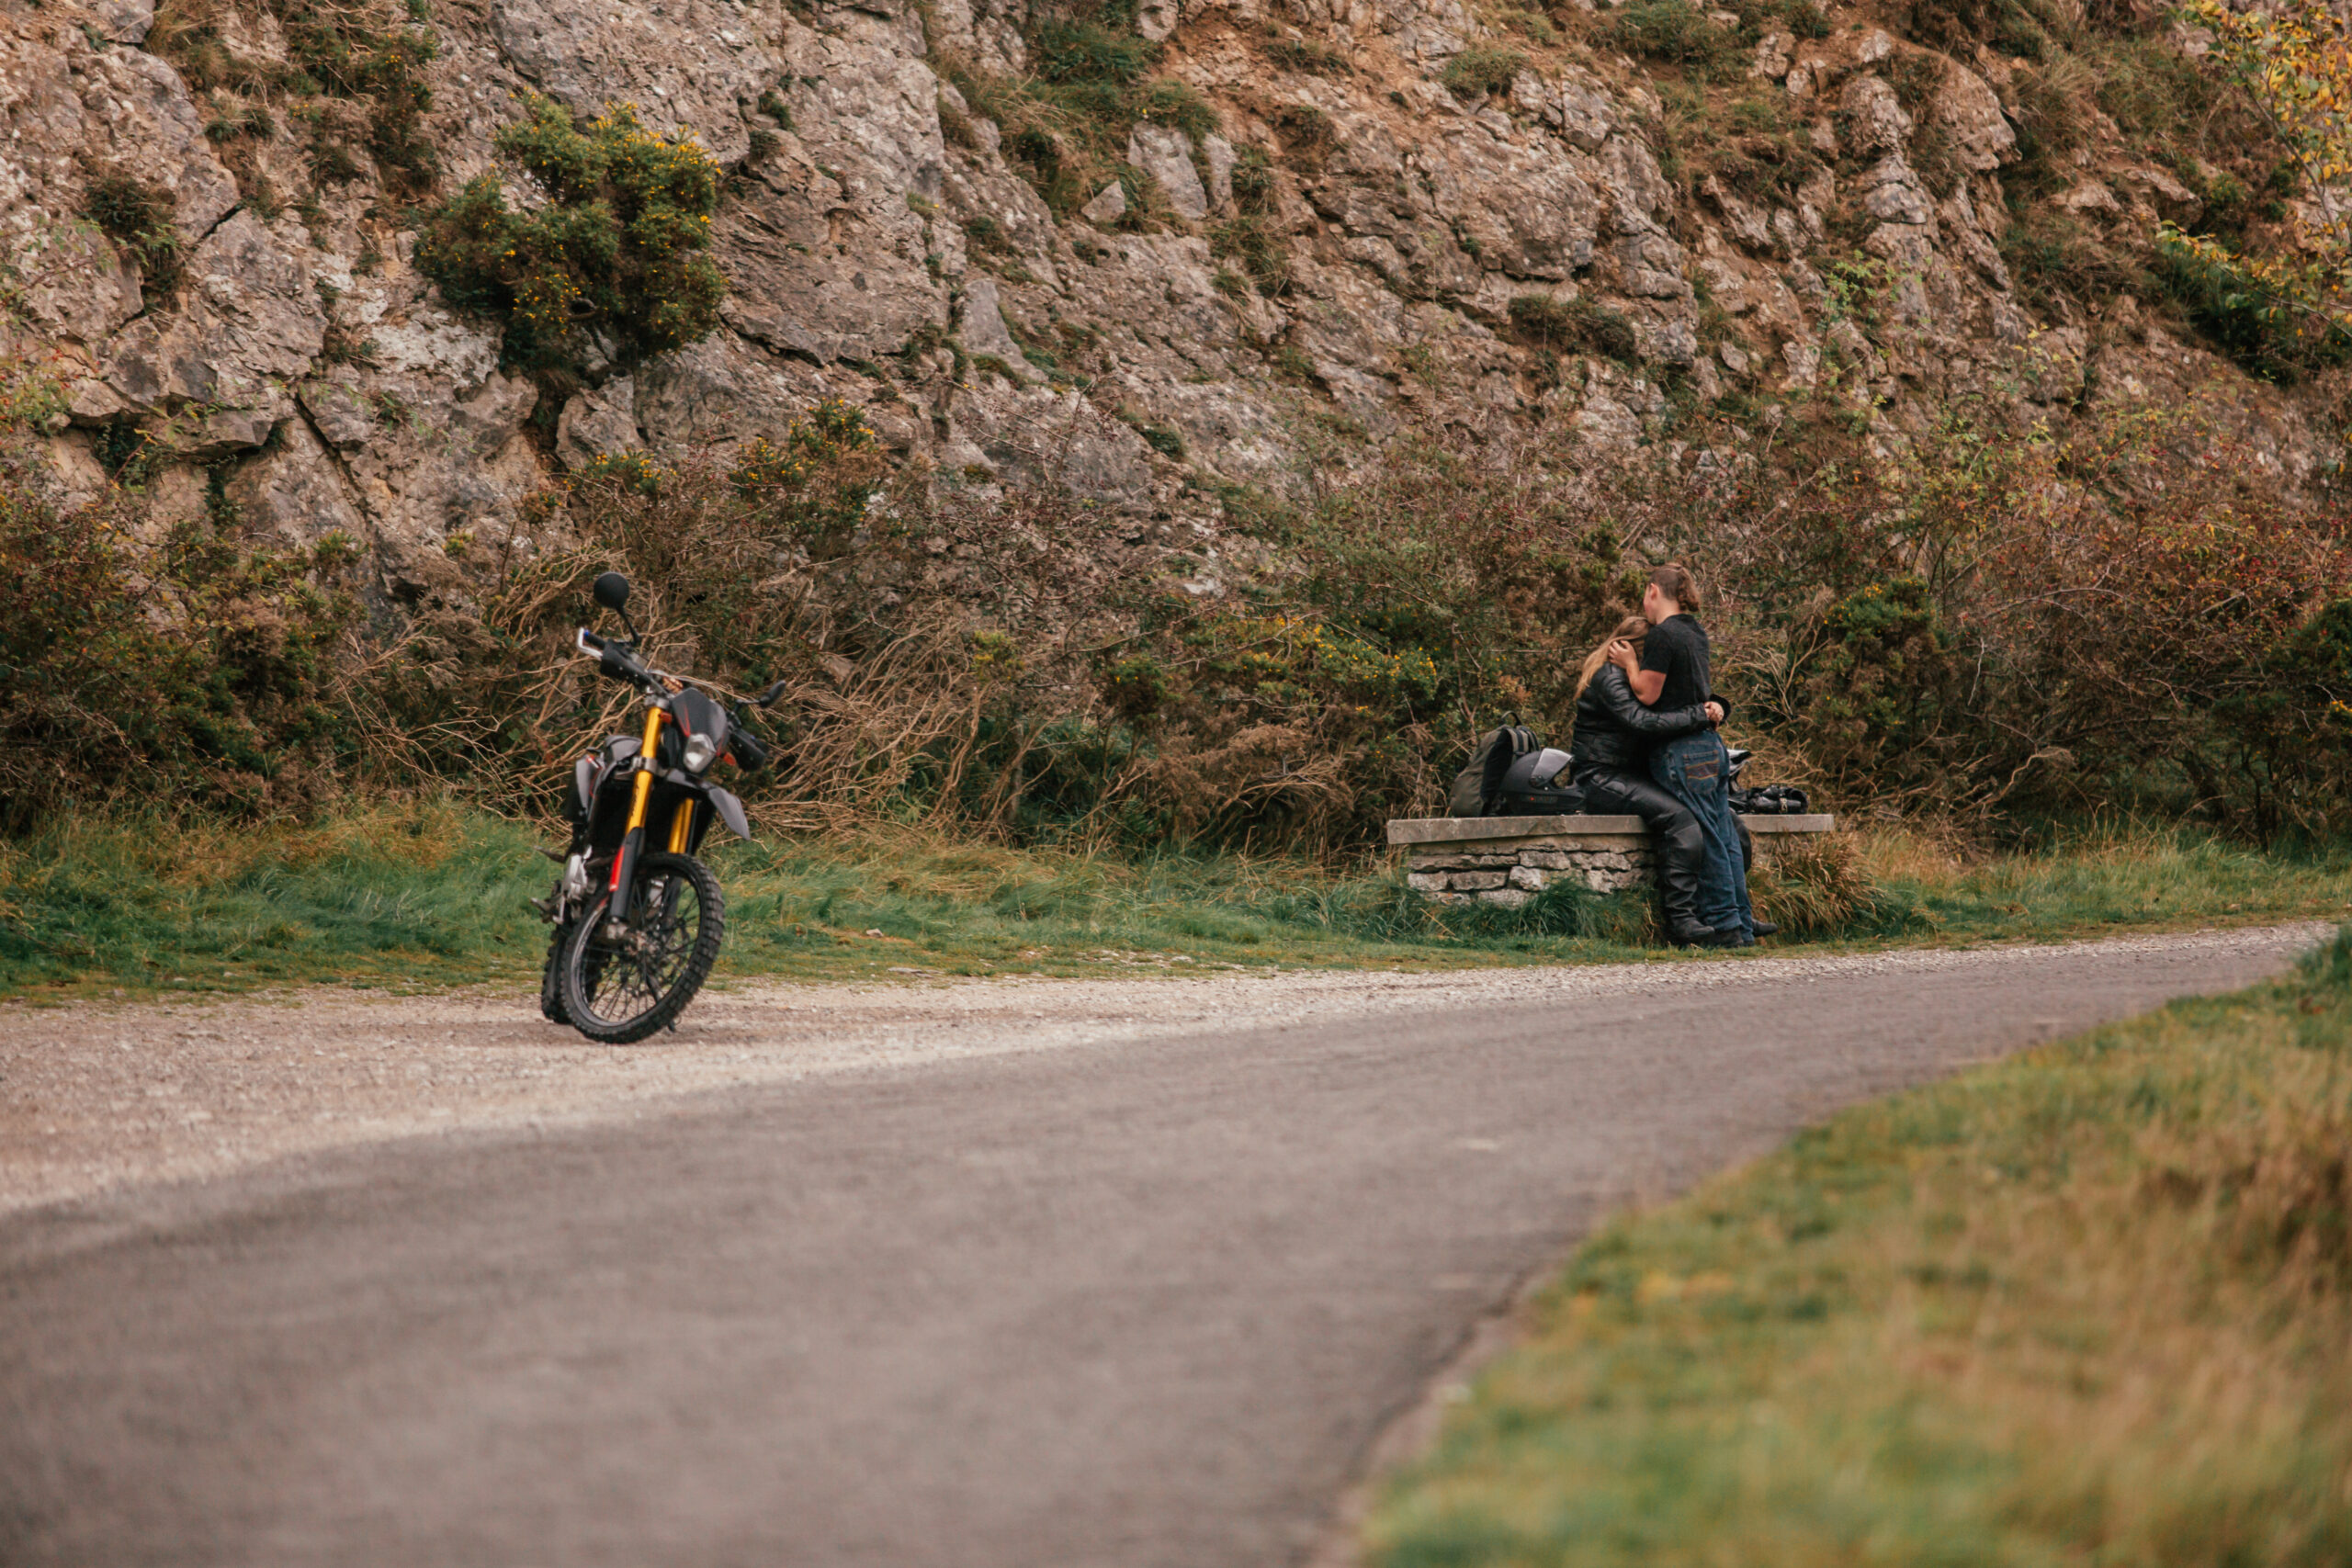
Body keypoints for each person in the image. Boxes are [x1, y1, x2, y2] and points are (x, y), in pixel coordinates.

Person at [1611, 563, 1767, 945]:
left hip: (1681, 751)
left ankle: (1723, 929)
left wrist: (1631, 663)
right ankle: (1742, 926)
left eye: (1645, 598)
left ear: (1653, 591)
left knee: (1709, 839)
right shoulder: (1696, 632)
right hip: (1711, 746)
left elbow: (1647, 694)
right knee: (1725, 836)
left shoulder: (1664, 636)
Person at [1568, 615, 1742, 948]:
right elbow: (1641, 721)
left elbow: (1677, 697)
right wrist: (1699, 715)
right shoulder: (1609, 676)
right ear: (1629, 651)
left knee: (1729, 821)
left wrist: (1717, 705)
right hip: (1601, 776)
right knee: (1682, 822)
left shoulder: (1639, 680)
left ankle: (1734, 914)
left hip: (1635, 773)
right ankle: (1682, 921)